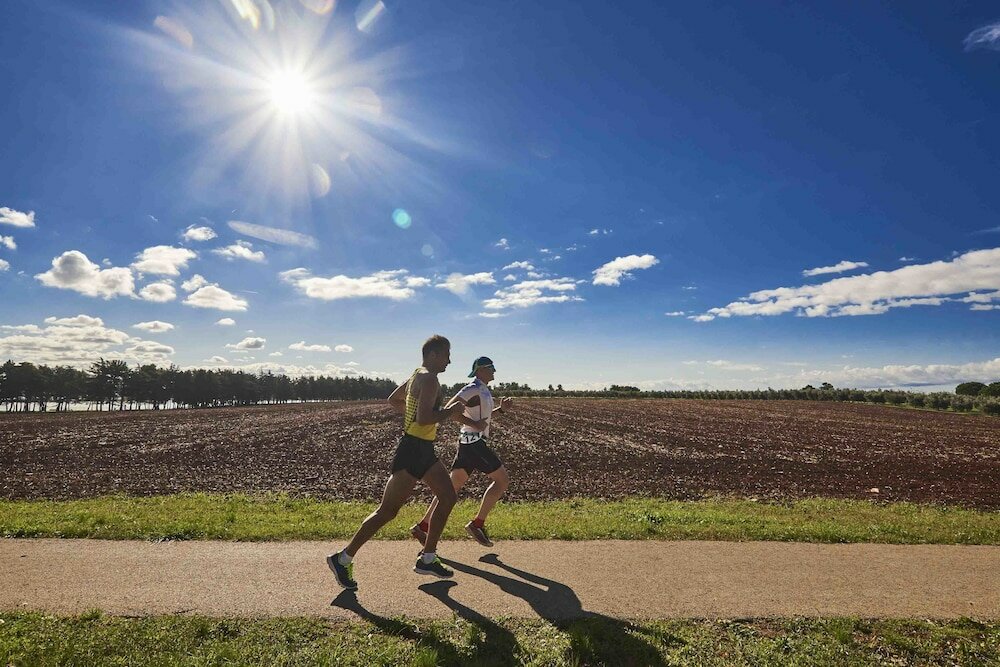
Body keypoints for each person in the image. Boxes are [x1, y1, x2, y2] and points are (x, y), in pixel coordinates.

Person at [326, 335, 464, 590]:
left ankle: (428, 557)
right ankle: (342, 558)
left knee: (448, 497)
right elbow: (425, 419)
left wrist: (415, 416)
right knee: (387, 511)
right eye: (446, 355)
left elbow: (394, 399)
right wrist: (451, 411)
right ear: (433, 355)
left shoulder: (415, 376)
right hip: (413, 451)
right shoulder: (431, 379)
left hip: (421, 449)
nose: (449, 361)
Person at [410, 356, 513, 549]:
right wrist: (473, 424)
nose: (494, 371)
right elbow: (450, 410)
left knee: (450, 489)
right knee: (502, 480)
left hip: (468, 444)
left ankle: (422, 527)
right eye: (491, 367)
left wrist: (502, 410)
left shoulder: (482, 390)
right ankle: (477, 524)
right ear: (481, 370)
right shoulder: (472, 388)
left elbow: (484, 417)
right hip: (474, 444)